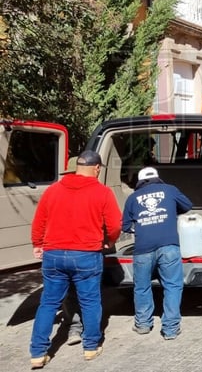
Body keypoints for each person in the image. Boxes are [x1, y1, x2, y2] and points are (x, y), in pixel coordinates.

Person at [29, 150, 122, 368]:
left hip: (53, 255)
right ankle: (90, 347)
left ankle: (37, 353)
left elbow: (39, 221)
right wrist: (109, 240)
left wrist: (37, 244)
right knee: (90, 302)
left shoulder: (52, 191)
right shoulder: (103, 192)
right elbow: (116, 224)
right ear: (97, 168)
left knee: (48, 303)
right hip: (86, 254)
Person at [123, 167, 193, 340]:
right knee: (172, 285)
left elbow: (125, 226)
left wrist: (141, 227)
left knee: (142, 286)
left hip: (142, 249)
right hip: (169, 245)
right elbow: (187, 205)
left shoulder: (132, 198)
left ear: (139, 181)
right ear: (157, 178)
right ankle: (170, 329)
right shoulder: (170, 189)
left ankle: (143, 325)